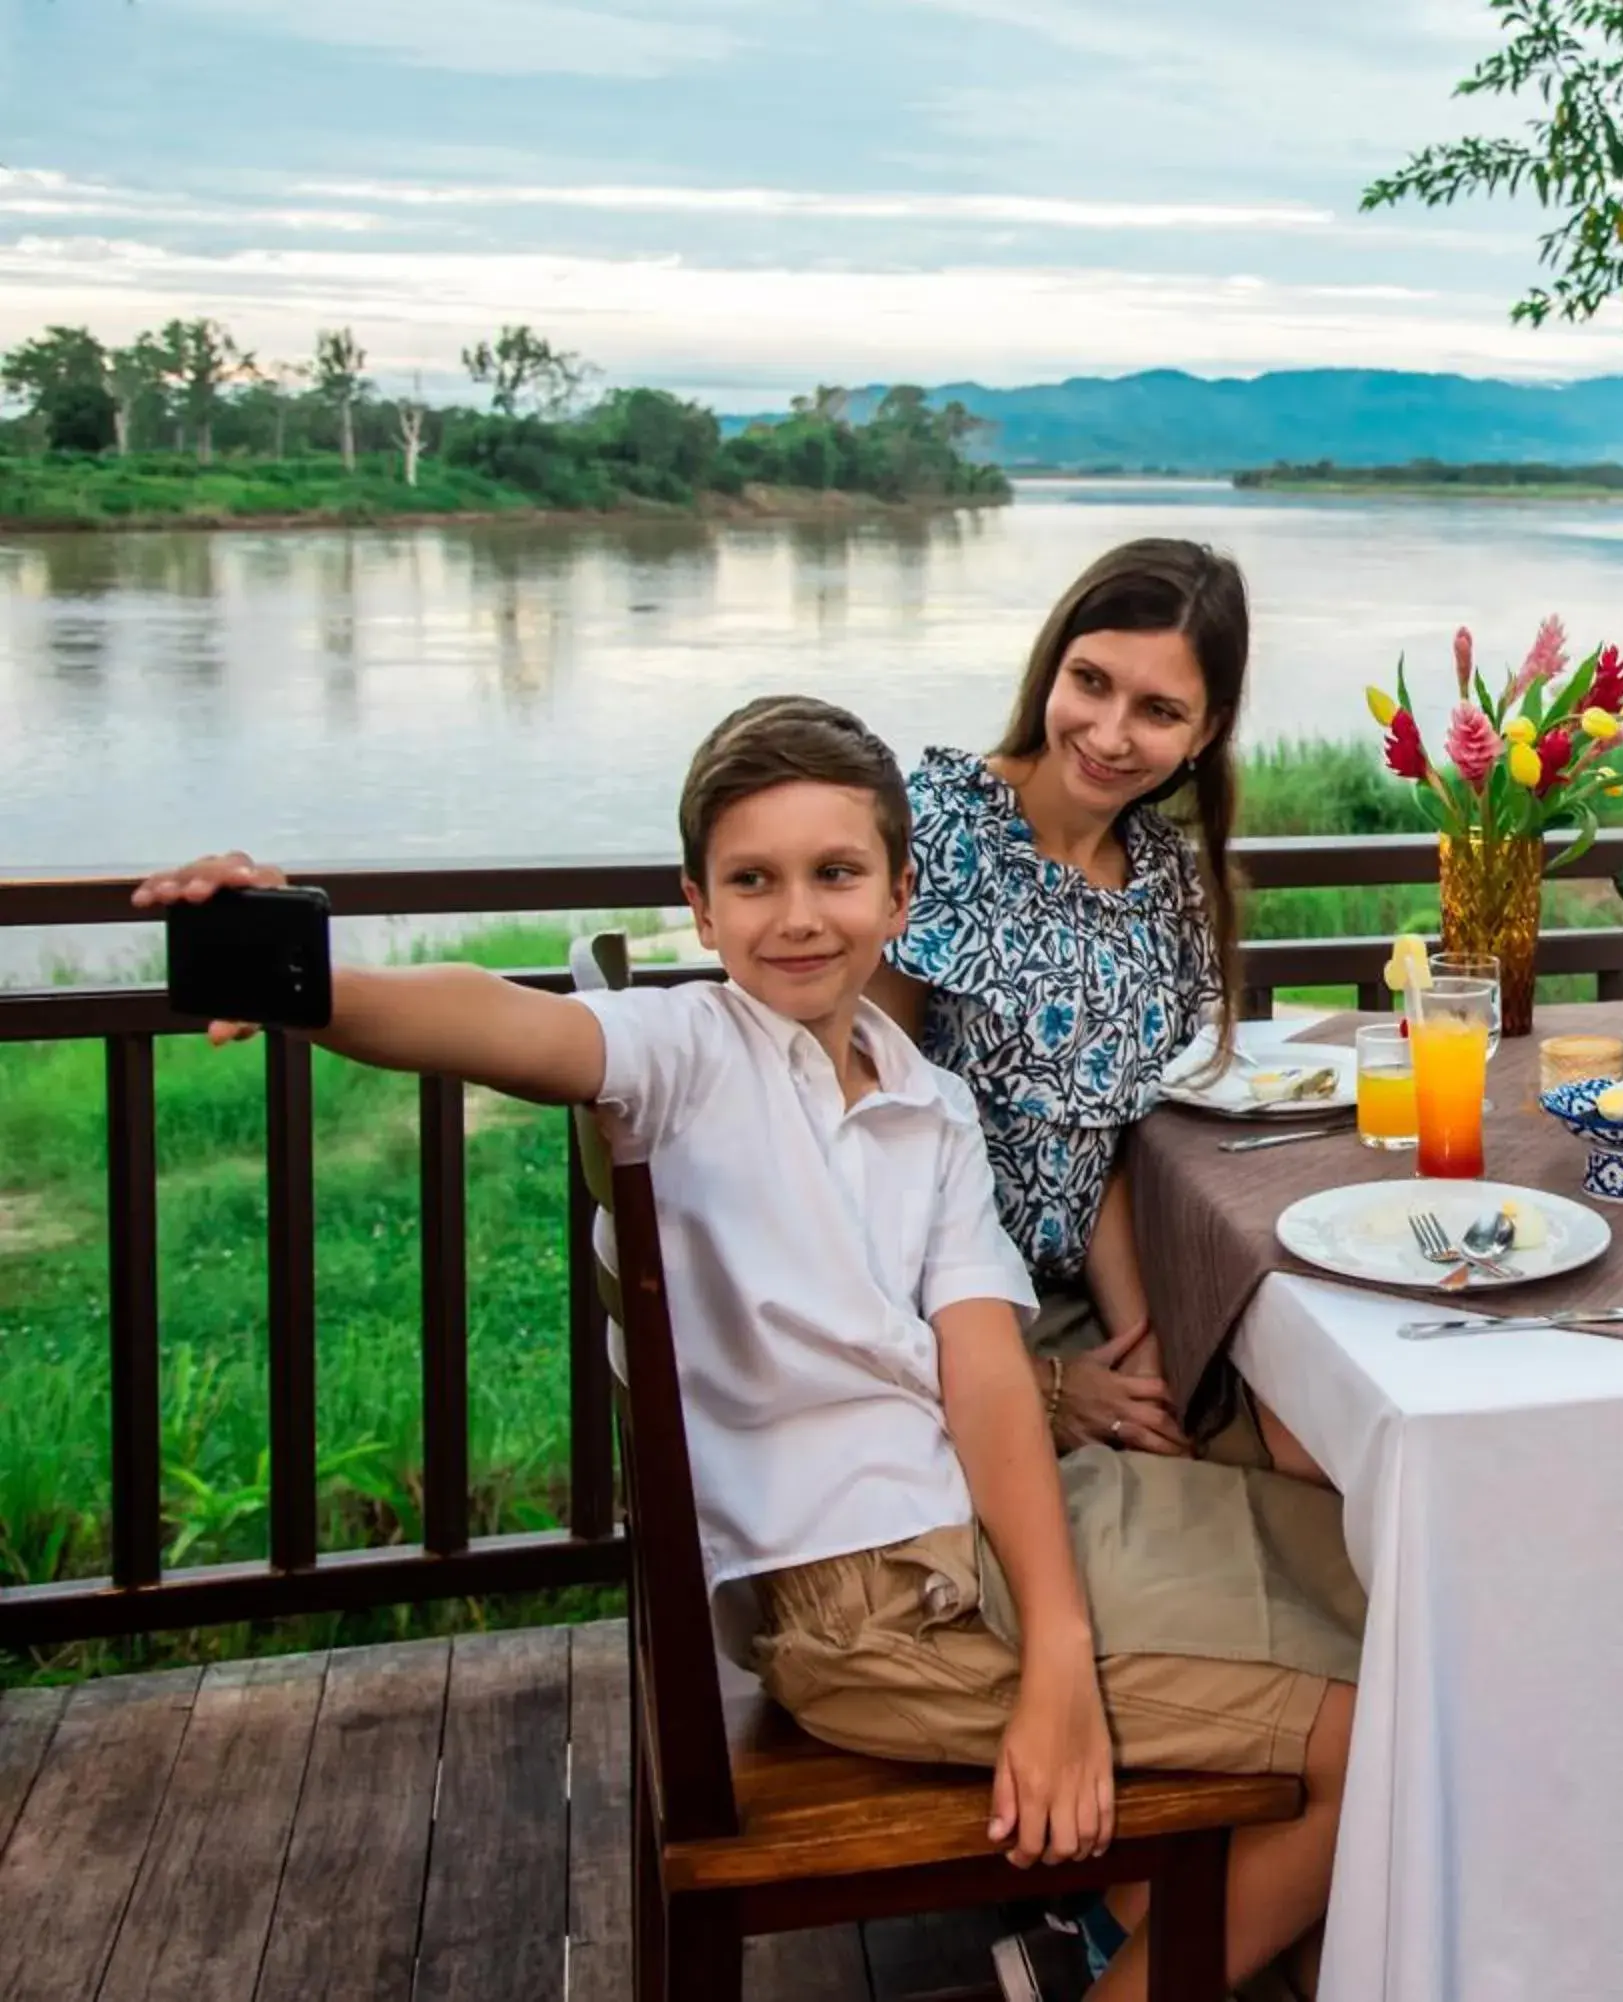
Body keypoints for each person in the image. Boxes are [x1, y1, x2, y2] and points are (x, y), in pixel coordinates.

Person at [130, 696, 1360, 2002]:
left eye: (836, 874)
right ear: (701, 909)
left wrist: (1056, 1640)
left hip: (974, 1537)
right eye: (752, 881)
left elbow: (986, 1370)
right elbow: (498, 1017)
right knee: (1374, 1726)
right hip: (874, 1604)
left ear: (901, 897)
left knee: (1369, 1577)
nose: (797, 915)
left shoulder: (921, 1095)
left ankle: (1116, 1930)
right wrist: (311, 977)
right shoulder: (688, 1055)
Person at [870, 539, 1320, 1481]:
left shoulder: (1167, 880)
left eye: (1159, 711)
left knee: (1317, 1451)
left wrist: (1144, 1342)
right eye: (1092, 682)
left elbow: (1114, 1152)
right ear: (1052, 663)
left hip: (1085, 1300)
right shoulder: (938, 833)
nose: (1112, 735)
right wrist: (1037, 1381)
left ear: (1206, 731)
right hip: (927, 1320)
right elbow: (859, 1133)